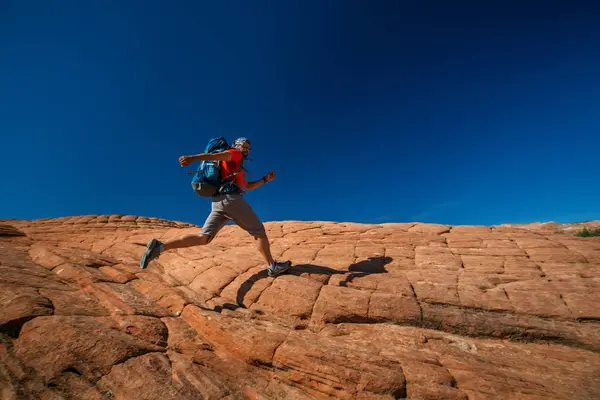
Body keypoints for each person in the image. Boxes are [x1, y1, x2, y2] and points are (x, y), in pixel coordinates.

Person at [140, 137, 291, 277]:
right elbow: (217, 156)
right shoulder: (234, 154)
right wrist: (192, 158)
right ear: (236, 145)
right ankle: (272, 266)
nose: (246, 149)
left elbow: (248, 186)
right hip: (231, 200)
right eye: (244, 145)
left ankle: (160, 247)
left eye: (248, 148)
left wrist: (265, 179)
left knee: (203, 237)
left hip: (218, 202)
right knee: (260, 232)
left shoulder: (237, 168)